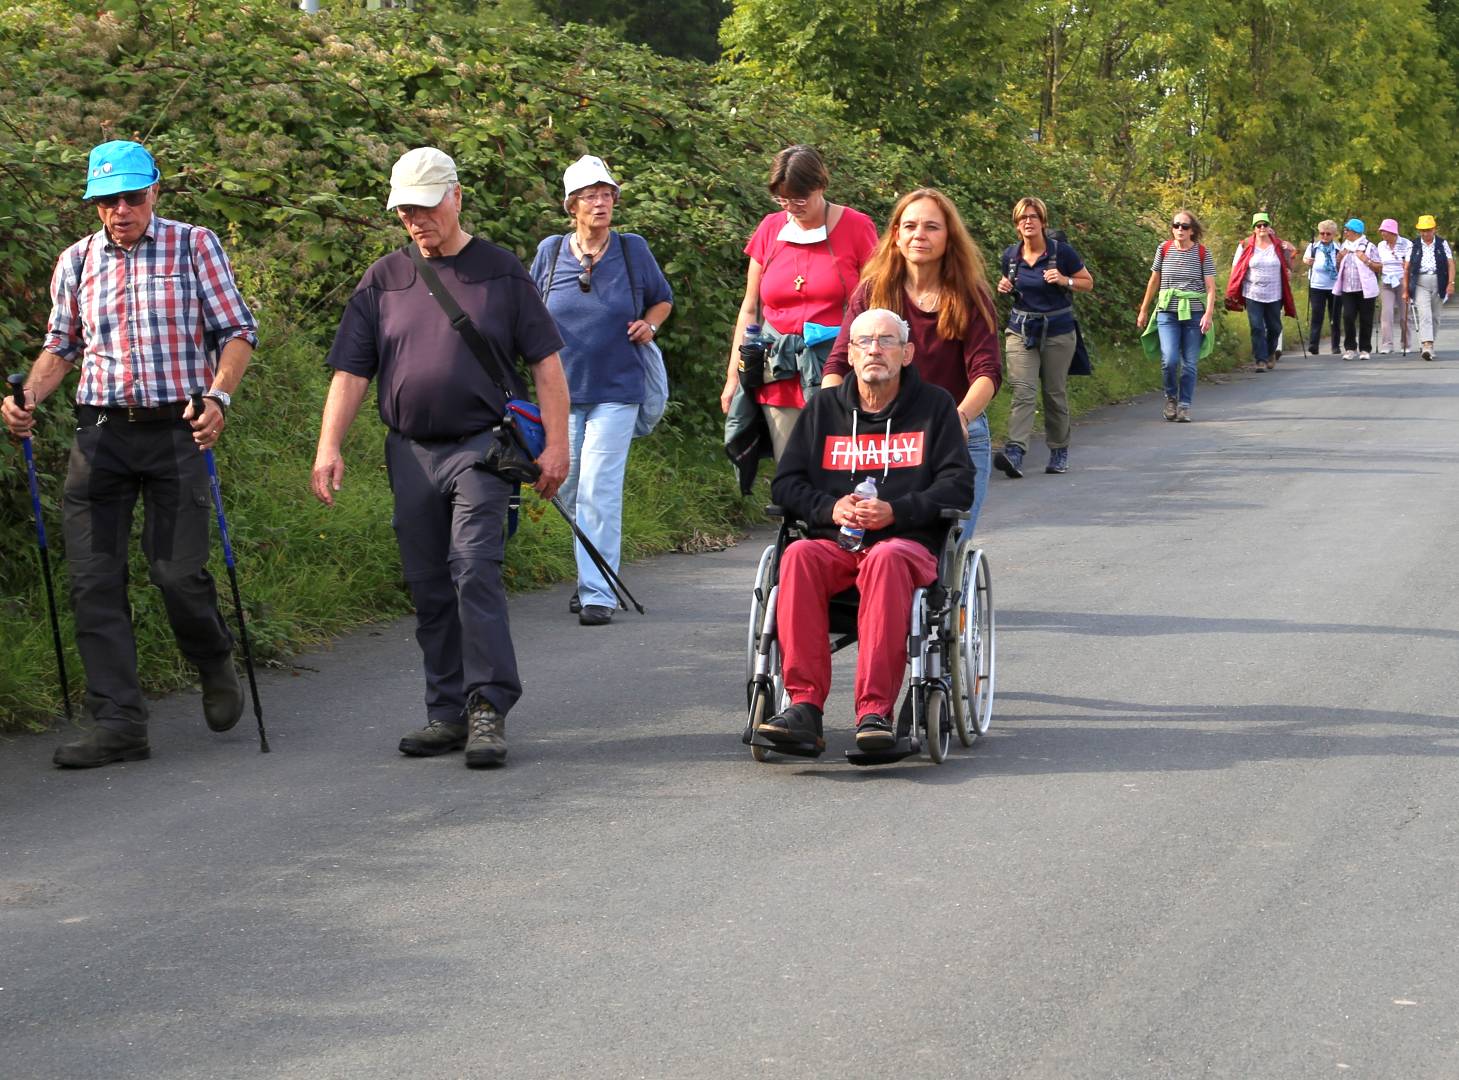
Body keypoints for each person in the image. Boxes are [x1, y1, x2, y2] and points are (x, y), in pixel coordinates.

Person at [0, 140, 257, 769]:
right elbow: (62, 345)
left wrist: (218, 397)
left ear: (154, 193)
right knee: (94, 580)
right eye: (107, 200)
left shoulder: (193, 245)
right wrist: (25, 399)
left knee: (176, 573)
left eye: (132, 196)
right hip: (101, 433)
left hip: (178, 429)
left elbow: (237, 331)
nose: (121, 210)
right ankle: (118, 723)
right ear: (94, 204)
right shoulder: (76, 261)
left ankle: (213, 656)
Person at [311, 147, 569, 769]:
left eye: (425, 207)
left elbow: (546, 365)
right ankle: (446, 711)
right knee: (428, 583)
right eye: (404, 212)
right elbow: (351, 370)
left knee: (474, 567)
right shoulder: (384, 278)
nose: (416, 221)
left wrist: (558, 447)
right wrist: (329, 446)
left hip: (481, 447)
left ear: (455, 197)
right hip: (409, 452)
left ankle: (487, 707)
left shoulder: (502, 272)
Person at [754, 308, 973, 756]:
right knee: (796, 557)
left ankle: (874, 713)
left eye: (887, 341)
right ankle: (804, 708)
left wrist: (896, 511)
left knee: (886, 559)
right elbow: (786, 484)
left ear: (907, 353)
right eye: (865, 342)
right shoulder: (823, 410)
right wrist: (830, 507)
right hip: (837, 545)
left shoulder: (935, 408)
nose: (875, 349)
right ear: (850, 355)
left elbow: (958, 484)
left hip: (905, 546)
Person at [529, 155, 672, 627]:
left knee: (598, 488)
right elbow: (528, 313)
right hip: (561, 393)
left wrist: (649, 326)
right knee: (566, 485)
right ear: (572, 204)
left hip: (618, 388)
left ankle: (597, 592)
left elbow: (662, 298)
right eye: (590, 195)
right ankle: (593, 572)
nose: (601, 202)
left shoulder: (633, 250)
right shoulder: (550, 252)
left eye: (607, 194)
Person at [821, 188, 1001, 535]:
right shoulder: (872, 292)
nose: (920, 234)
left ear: (949, 238)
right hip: (880, 436)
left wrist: (958, 417)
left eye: (932, 227)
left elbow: (987, 371)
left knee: (943, 552)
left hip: (953, 435)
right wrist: (832, 413)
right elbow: (839, 363)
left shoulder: (969, 296)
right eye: (910, 226)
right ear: (896, 236)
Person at [721, 145, 878, 492]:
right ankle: (802, 544)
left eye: (799, 198)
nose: (792, 208)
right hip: (779, 371)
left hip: (838, 370)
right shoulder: (769, 229)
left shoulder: (857, 227)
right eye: (783, 200)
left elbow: (876, 303)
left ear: (821, 184)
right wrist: (734, 375)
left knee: (840, 468)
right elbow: (750, 308)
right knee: (792, 471)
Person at [993, 196, 1094, 477]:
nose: (1028, 222)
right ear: (1016, 225)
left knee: (1054, 393)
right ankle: (1015, 451)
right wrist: (1005, 285)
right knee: (1023, 391)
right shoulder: (1010, 256)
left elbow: (1088, 282)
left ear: (1043, 222)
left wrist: (1065, 280)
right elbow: (1014, 287)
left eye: (1033, 217)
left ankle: (1059, 450)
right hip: (1021, 330)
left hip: (1058, 331)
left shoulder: (1062, 253)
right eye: (1022, 218)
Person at [1136, 209, 1217, 422]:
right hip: (1167, 313)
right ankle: (1171, 397)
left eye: (1185, 226)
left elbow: (1210, 287)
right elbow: (1154, 281)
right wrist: (1144, 309)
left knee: (1189, 363)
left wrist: (1208, 314)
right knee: (1170, 359)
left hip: (1194, 314)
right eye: (1176, 225)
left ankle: (1184, 405)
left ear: (1192, 231)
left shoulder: (1202, 253)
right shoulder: (1163, 249)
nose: (1179, 229)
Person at [1226, 212, 1296, 372]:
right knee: (1256, 327)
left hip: (1275, 292)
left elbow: (1290, 264)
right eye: (1259, 225)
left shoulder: (1278, 245)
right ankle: (1260, 360)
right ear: (1254, 229)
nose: (1262, 228)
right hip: (1252, 292)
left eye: (1265, 225)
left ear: (1269, 227)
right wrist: (1232, 288)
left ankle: (1271, 352)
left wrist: (1290, 257)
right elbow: (1236, 267)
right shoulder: (1245, 245)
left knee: (1275, 327)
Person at [1333, 217, 1381, 360]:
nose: (1345, 232)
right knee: (1348, 317)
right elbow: (1338, 268)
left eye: (1347, 230)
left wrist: (1366, 260)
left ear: (1355, 231)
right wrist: (1338, 259)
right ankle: (1350, 348)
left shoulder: (1369, 246)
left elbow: (1379, 266)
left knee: (1366, 319)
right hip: (1348, 288)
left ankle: (1365, 349)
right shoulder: (1344, 247)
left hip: (1365, 289)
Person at [1408, 215, 1454, 361]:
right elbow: (1406, 267)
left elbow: (1450, 264)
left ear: (1434, 229)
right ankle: (1426, 345)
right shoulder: (1414, 245)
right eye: (1422, 230)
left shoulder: (1442, 243)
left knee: (1435, 317)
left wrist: (1451, 283)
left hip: (1439, 280)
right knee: (1425, 313)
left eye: (1427, 230)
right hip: (1420, 281)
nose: (1425, 233)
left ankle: (1430, 344)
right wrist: (1405, 289)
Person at [1301, 220, 1342, 356]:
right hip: (1317, 285)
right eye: (1322, 233)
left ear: (1334, 234)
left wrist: (1339, 261)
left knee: (1334, 316)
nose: (1324, 236)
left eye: (1328, 233)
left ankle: (1335, 346)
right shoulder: (1313, 247)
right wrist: (1307, 261)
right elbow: (1305, 259)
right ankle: (1313, 345)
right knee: (1317, 315)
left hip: (1334, 286)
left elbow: (1342, 265)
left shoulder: (1338, 248)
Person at [1374, 218, 1412, 354]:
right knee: (1387, 313)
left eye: (1385, 231)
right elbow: (1378, 263)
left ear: (1393, 232)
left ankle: (1406, 343)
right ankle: (1387, 344)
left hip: (1402, 281)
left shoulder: (1406, 244)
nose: (1383, 234)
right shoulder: (1380, 245)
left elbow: (1410, 263)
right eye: (1382, 231)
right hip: (1386, 281)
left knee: (1404, 314)